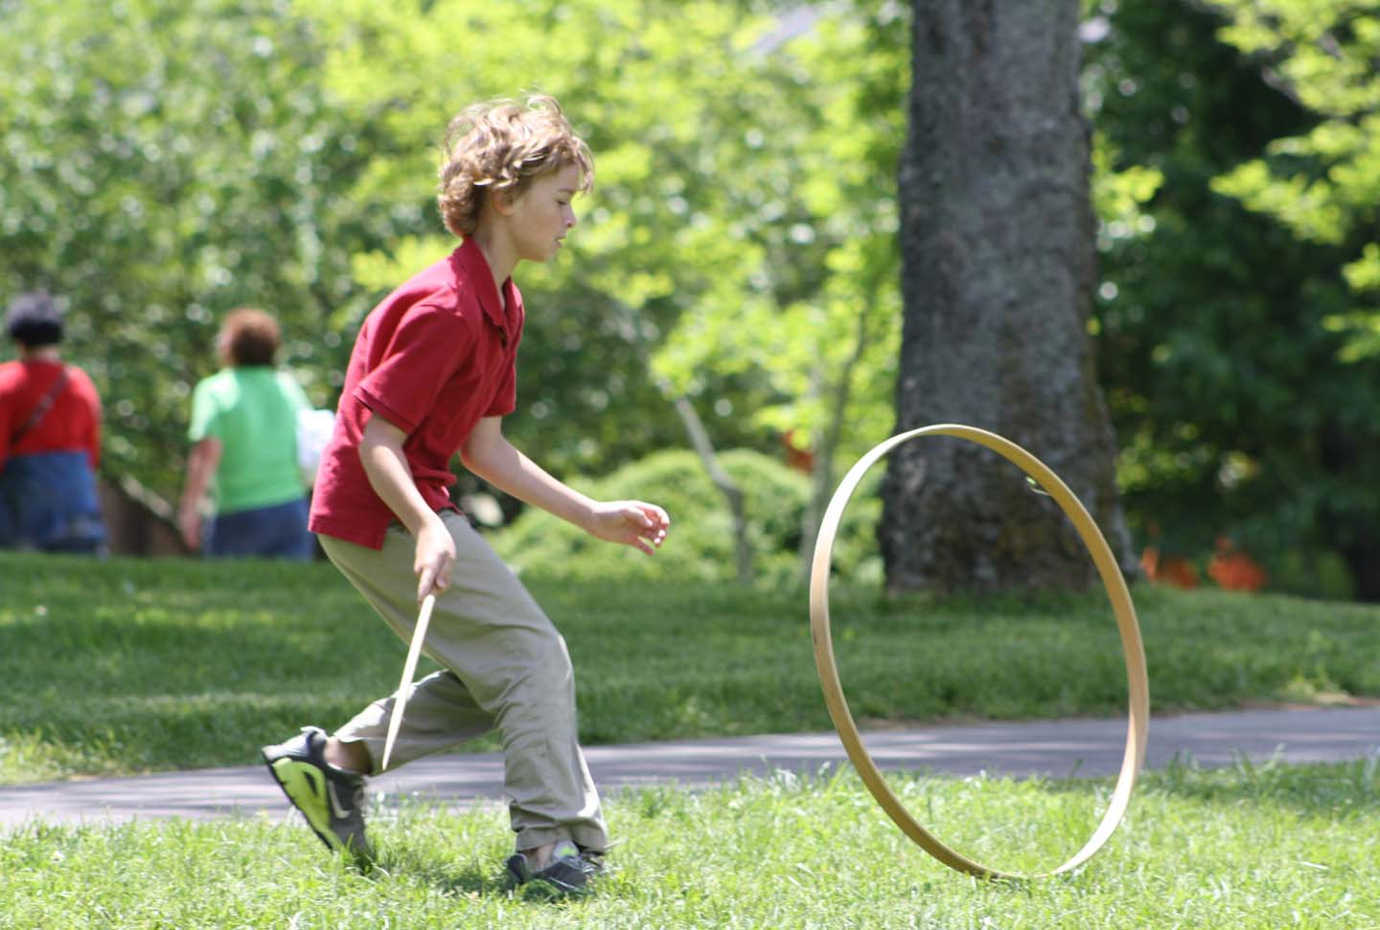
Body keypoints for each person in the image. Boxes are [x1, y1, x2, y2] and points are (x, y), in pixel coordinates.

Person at [259, 96, 670, 893]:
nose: (571, 220)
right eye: (561, 201)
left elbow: (485, 448)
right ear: (504, 197)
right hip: (373, 510)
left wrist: (592, 516)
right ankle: (548, 850)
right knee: (531, 657)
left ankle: (334, 761)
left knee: (508, 675)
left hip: (411, 503)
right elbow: (374, 438)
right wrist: (425, 527)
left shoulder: (503, 303)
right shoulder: (446, 307)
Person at [178, 308, 315, 560]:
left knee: (231, 595)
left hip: (237, 511)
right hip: (291, 507)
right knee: (291, 595)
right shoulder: (288, 387)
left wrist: (190, 509)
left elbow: (207, 452)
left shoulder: (215, 390)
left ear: (229, 347)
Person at [0, 291, 107, 554]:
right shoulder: (81, 383)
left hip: (22, 499)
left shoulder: (7, 382)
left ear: (19, 338)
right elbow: (92, 453)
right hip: (75, 497)